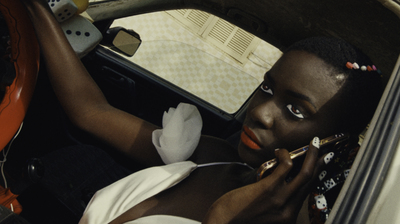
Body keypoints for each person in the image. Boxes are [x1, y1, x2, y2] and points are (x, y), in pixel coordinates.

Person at [21, 0, 383, 223]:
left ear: (337, 143)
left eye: (296, 110)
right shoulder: (212, 156)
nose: (260, 113)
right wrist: (34, 6)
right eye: (267, 88)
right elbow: (91, 111)